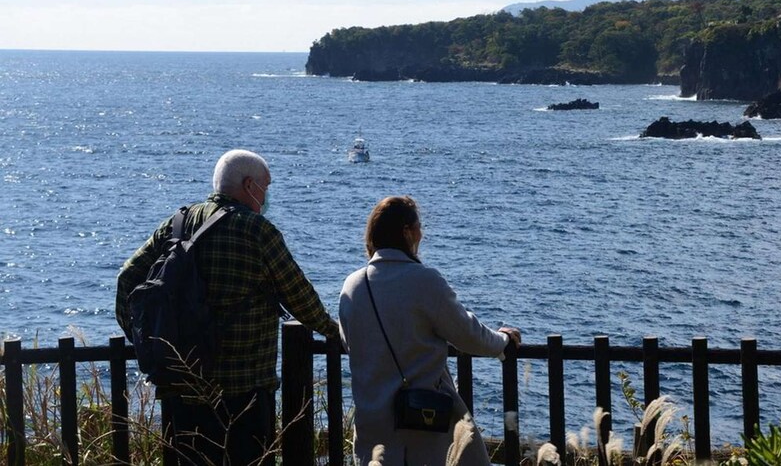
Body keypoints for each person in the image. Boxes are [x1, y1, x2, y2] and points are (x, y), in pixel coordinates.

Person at [116, 149, 340, 466]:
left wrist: (147, 343)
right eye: (266, 185)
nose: (267, 194)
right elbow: (301, 300)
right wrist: (336, 333)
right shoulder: (258, 231)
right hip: (245, 390)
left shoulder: (177, 224)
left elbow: (127, 280)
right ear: (249, 185)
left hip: (183, 385)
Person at [339, 196, 521, 466]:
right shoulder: (425, 281)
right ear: (407, 232)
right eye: (419, 226)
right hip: (421, 426)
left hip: (372, 425)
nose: (421, 233)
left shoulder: (352, 285)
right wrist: (503, 340)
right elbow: (468, 334)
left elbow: (349, 341)